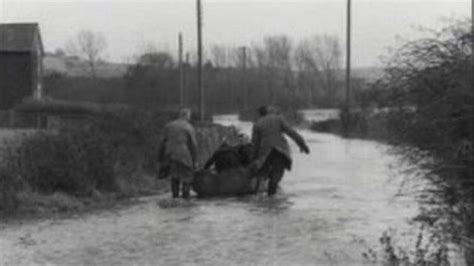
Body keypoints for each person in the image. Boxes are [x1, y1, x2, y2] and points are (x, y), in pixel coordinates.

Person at [251, 105, 310, 196]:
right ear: (268, 112)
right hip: (280, 150)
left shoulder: (257, 124)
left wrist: (253, 159)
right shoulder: (278, 119)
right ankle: (272, 197)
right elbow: (291, 132)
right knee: (276, 174)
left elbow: (255, 144)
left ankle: (258, 196)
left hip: (265, 153)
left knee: (262, 174)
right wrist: (302, 144)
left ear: (260, 114)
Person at [159, 108, 198, 199]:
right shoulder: (188, 127)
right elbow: (193, 145)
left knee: (175, 176)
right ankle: (186, 199)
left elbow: (162, 143)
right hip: (183, 155)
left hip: (170, 155)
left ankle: (175, 198)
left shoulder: (168, 126)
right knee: (187, 177)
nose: (189, 118)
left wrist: (160, 158)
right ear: (186, 116)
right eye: (189, 116)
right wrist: (195, 160)